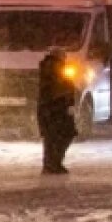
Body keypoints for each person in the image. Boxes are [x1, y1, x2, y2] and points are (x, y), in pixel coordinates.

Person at [37, 47, 78, 175]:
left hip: (53, 108)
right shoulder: (54, 67)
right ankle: (52, 164)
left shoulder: (53, 67)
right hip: (55, 108)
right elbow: (61, 88)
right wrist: (67, 101)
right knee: (57, 136)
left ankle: (52, 163)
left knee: (54, 137)